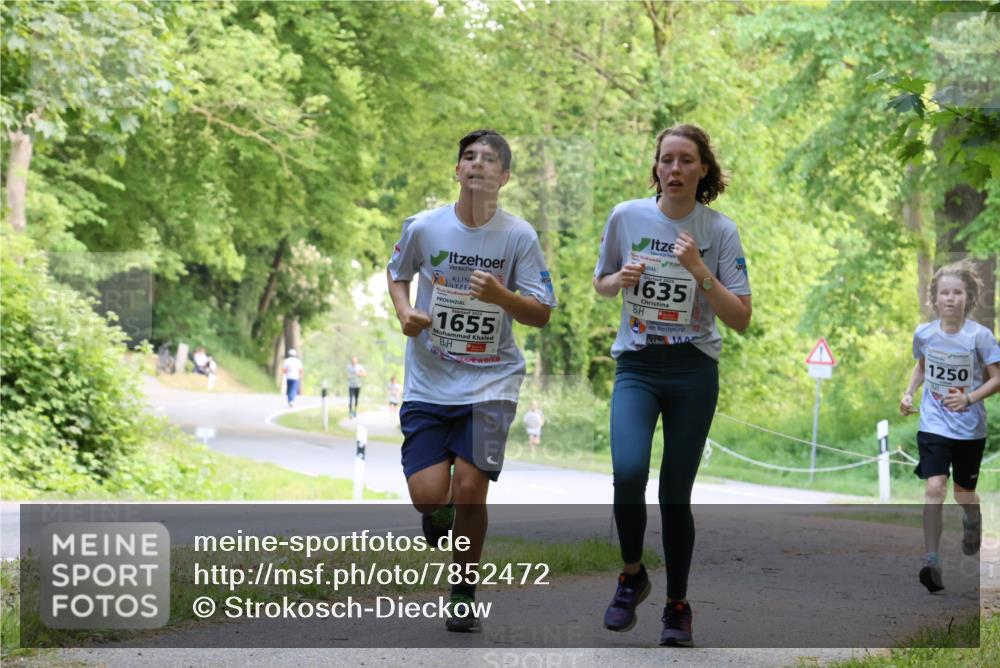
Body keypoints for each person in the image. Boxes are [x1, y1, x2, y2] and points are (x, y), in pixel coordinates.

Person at [387, 129, 556, 633]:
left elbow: (541, 312)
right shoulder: (424, 227)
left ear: (504, 177)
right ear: (457, 171)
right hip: (429, 381)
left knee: (470, 488)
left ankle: (463, 592)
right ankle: (436, 513)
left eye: (489, 159)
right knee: (428, 495)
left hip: (491, 383)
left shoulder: (518, 237)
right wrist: (405, 312)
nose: (478, 164)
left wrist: (503, 296)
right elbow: (397, 273)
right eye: (469, 157)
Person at [593, 124, 751, 647]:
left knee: (674, 494)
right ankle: (631, 576)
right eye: (667, 160)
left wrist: (699, 270)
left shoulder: (719, 230)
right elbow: (601, 283)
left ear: (703, 169)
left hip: (692, 371)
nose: (675, 169)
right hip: (637, 366)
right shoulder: (626, 216)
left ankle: (677, 606)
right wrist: (619, 281)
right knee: (627, 473)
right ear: (656, 168)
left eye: (686, 160)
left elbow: (741, 317)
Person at [899, 261, 1000, 593]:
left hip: (970, 429)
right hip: (933, 424)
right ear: (935, 298)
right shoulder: (925, 333)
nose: (951, 298)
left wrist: (968, 398)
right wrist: (909, 393)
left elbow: (997, 379)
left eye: (957, 292)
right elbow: (922, 366)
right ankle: (932, 560)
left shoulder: (980, 337)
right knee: (934, 488)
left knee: (963, 494)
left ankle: (973, 518)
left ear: (968, 297)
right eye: (945, 293)